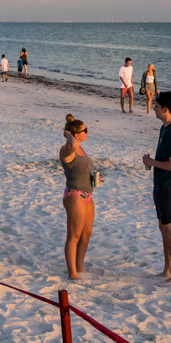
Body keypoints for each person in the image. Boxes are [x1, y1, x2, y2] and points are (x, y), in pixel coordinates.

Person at [141, 91, 171, 284]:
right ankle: (167, 269)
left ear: (166, 109)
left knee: (170, 230)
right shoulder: (164, 128)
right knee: (163, 228)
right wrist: (152, 164)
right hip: (161, 186)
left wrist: (152, 162)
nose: (154, 109)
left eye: (157, 107)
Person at [59, 114, 98, 280]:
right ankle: (72, 273)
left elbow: (82, 168)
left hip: (87, 194)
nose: (87, 132)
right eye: (85, 130)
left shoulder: (80, 148)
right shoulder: (67, 149)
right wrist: (67, 133)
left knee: (86, 233)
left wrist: (95, 177)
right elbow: (72, 143)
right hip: (74, 195)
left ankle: (80, 267)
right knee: (73, 235)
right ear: (76, 135)